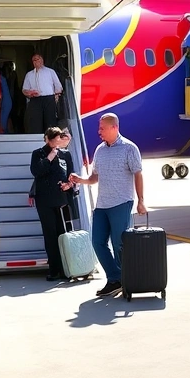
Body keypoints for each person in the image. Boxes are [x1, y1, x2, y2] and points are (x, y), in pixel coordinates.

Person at [69, 113, 147, 297]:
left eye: (102, 128)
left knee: (120, 244)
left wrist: (141, 201)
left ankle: (127, 280)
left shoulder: (129, 148)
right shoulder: (99, 150)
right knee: (97, 242)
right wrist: (81, 180)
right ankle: (115, 278)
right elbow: (95, 177)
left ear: (114, 128)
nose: (99, 131)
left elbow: (138, 174)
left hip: (121, 202)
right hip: (102, 204)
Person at [30, 127, 76, 281]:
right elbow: (36, 172)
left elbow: (72, 175)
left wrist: (69, 185)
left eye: (59, 141)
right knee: (50, 235)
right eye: (54, 141)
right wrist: (50, 157)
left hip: (62, 200)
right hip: (44, 200)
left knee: (64, 233)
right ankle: (54, 269)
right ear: (47, 140)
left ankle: (67, 268)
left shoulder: (66, 154)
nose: (57, 144)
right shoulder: (38, 154)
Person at [22, 53, 63, 134]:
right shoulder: (29, 74)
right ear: (32, 62)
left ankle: (51, 141)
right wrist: (29, 93)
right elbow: (24, 89)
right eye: (34, 60)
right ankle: (36, 141)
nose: (36, 61)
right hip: (35, 100)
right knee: (35, 122)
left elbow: (58, 86)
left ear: (42, 60)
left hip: (49, 99)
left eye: (38, 59)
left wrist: (56, 95)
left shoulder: (50, 72)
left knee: (50, 121)